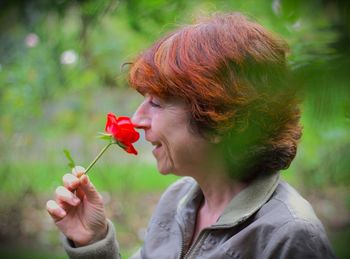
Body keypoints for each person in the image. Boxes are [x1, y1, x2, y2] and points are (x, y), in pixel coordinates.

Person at [46, 13, 336, 258]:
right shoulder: (178, 200)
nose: (136, 120)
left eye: (156, 103)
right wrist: (94, 241)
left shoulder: (290, 236)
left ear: (222, 118)